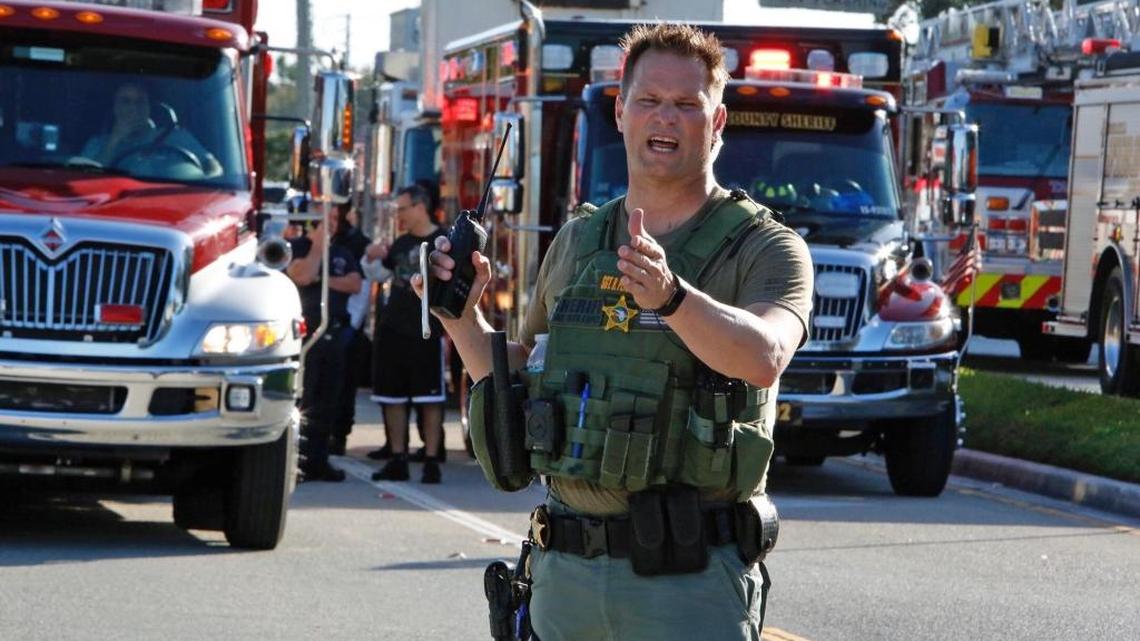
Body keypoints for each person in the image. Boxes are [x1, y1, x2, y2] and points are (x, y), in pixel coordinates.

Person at [419, 24, 812, 640]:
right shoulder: (579, 240)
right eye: (650, 100)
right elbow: (524, 375)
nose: (666, 118)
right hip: (564, 575)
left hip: (688, 581)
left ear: (718, 122)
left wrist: (674, 297)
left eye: (688, 105)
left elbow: (766, 356)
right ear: (621, 112)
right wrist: (461, 318)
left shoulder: (766, 248)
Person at [369, 184, 449, 484]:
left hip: (426, 331)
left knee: (429, 398)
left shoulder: (444, 242)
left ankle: (431, 461)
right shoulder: (400, 243)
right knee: (393, 398)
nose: (399, 215)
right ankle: (398, 459)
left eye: (402, 208)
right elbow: (381, 273)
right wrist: (372, 258)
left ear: (420, 207)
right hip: (393, 330)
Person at [286, 205, 363, 482]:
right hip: (307, 336)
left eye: (333, 219)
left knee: (329, 400)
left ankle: (319, 460)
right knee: (305, 398)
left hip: (335, 332)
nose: (331, 223)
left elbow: (354, 283)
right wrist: (318, 246)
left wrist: (323, 279)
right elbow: (303, 275)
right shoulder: (296, 247)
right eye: (324, 219)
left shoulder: (343, 253)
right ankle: (296, 461)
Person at [81, 81, 222, 177]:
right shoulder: (97, 144)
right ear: (115, 107)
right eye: (126, 101)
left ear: (149, 106)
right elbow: (86, 180)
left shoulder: (177, 136)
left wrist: (209, 181)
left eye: (140, 101)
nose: (134, 108)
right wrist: (114, 140)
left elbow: (211, 164)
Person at [330, 202, 372, 456]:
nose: (331, 221)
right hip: (320, 322)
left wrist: (354, 323)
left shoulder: (356, 244)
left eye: (335, 216)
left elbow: (360, 287)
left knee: (344, 386)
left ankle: (339, 435)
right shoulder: (313, 239)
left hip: (348, 323)